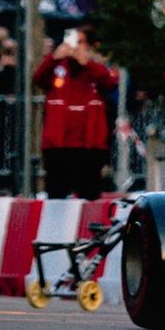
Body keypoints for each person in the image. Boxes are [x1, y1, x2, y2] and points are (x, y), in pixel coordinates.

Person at [32, 25, 118, 200]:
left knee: (89, 194)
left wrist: (87, 62)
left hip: (88, 144)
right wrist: (53, 58)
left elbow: (110, 82)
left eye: (80, 42)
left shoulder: (95, 68)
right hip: (58, 144)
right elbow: (38, 79)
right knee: (56, 194)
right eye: (71, 42)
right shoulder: (56, 67)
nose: (74, 47)